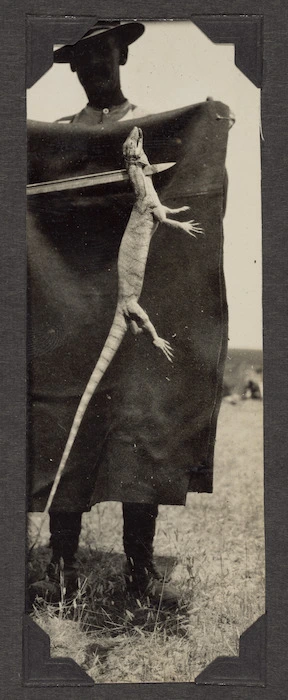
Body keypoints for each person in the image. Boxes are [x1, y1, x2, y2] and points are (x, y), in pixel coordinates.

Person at [30, 20, 180, 607]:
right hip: (70, 307)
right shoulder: (58, 136)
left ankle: (139, 571)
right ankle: (62, 569)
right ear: (72, 67)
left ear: (121, 53)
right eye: (82, 59)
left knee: (134, 434)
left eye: (102, 55)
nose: (94, 67)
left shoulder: (151, 128)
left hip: (125, 294)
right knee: (66, 423)